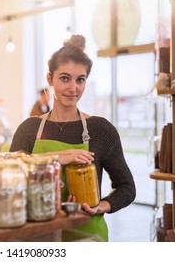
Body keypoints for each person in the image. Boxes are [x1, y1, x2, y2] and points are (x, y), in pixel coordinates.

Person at [10, 34, 136, 241]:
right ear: (49, 79)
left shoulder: (101, 129)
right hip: (38, 236)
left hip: (88, 235)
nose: (73, 88)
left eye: (80, 80)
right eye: (64, 78)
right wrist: (57, 158)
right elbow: (11, 174)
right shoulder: (29, 128)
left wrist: (100, 207)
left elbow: (127, 188)